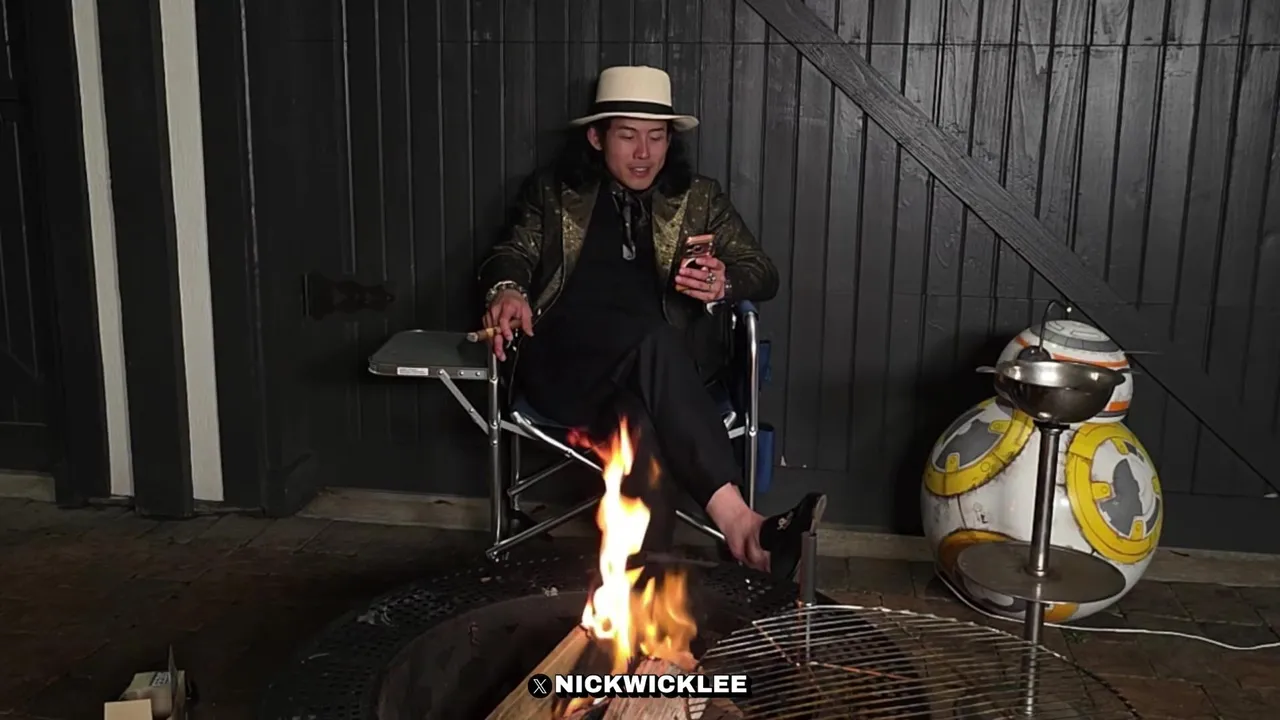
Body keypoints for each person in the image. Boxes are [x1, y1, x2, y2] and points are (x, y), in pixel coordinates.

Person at [476, 66, 825, 581]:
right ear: (597, 138)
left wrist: (724, 283)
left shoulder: (699, 198)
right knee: (653, 343)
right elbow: (511, 253)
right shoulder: (554, 192)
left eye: (656, 136)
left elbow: (761, 270)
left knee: (641, 420)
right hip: (566, 368)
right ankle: (740, 524)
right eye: (628, 136)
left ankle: (643, 589)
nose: (644, 153)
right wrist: (507, 289)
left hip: (660, 383)